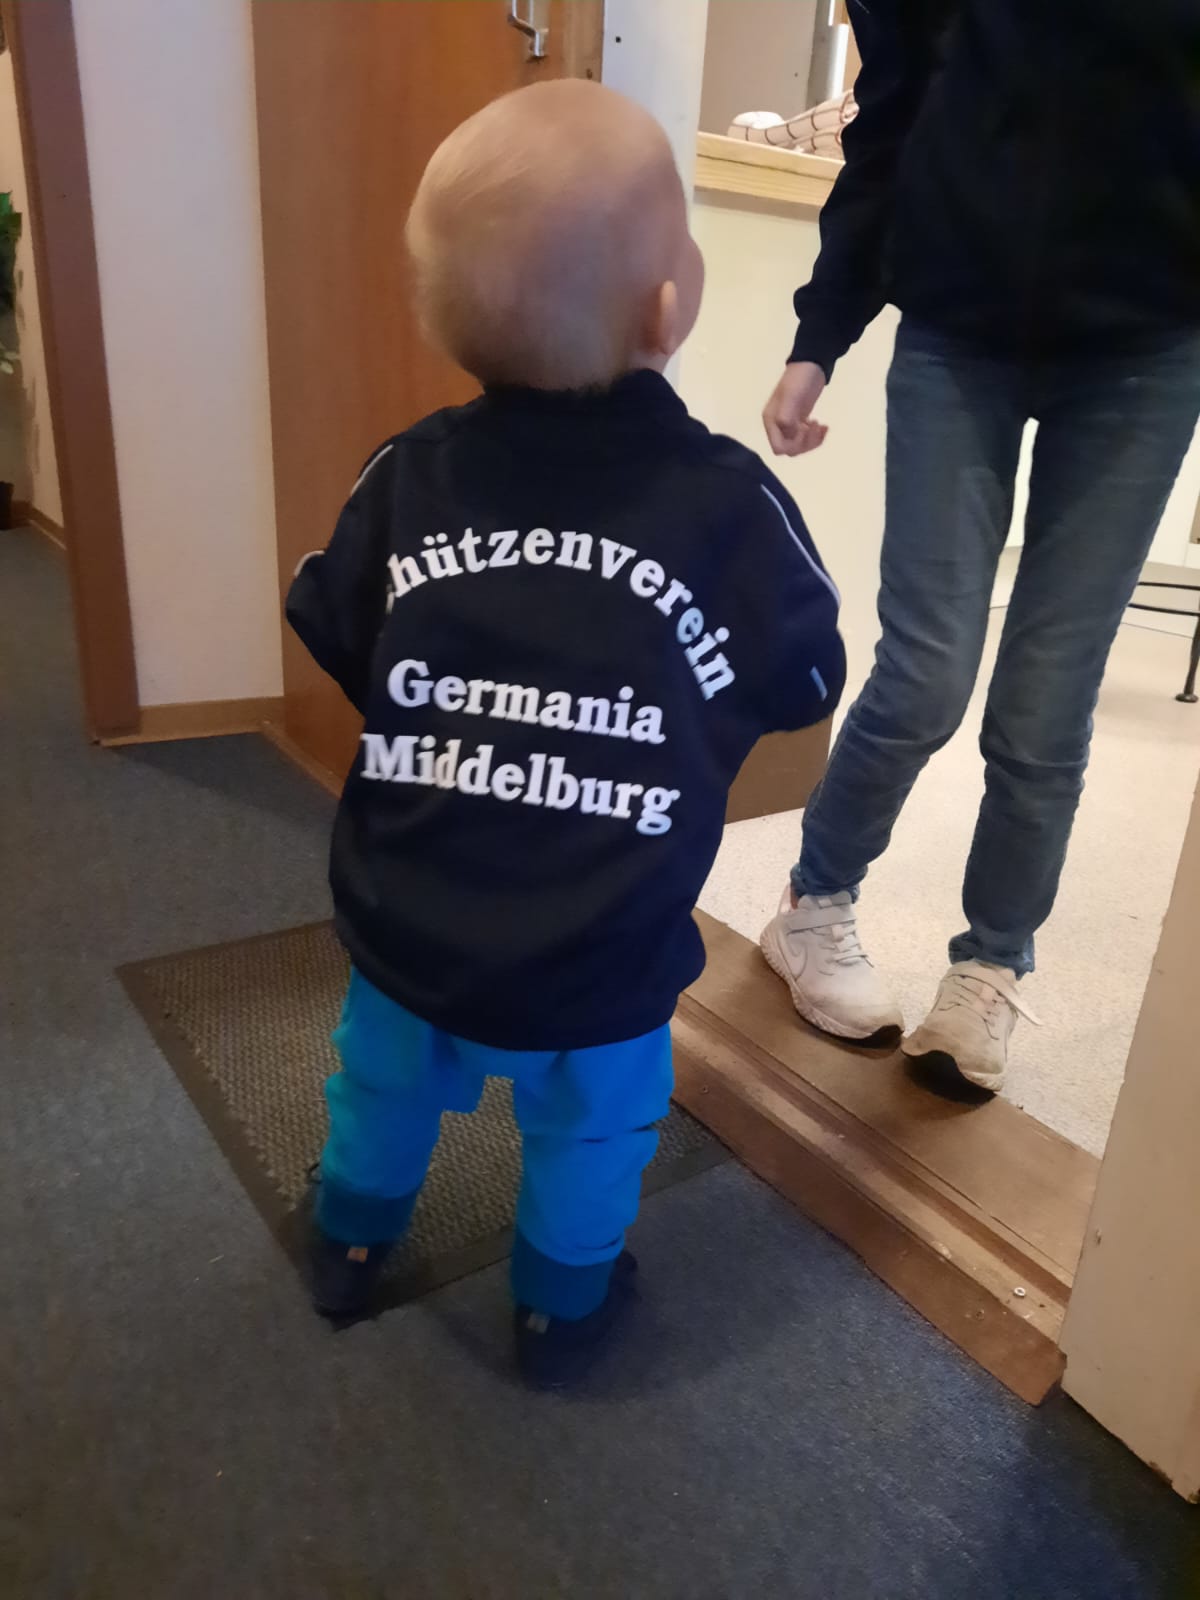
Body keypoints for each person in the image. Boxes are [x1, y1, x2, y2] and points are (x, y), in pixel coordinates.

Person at [286, 81, 845, 1384]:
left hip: (409, 915)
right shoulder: (727, 506)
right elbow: (810, 671)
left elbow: (334, 621)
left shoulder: (406, 475)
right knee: (595, 1127)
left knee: (380, 1085)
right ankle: (559, 1305)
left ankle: (349, 1240)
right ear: (665, 310)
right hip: (605, 943)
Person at [760, 0, 1200, 1098]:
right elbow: (891, 124)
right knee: (925, 674)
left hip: (1150, 348)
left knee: (1048, 698)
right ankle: (813, 902)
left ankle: (992, 963)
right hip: (957, 334)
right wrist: (820, 338)